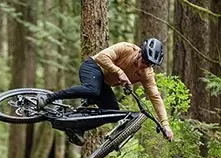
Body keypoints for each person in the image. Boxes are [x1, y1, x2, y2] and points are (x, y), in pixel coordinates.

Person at [37, 38, 174, 146]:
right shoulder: (126, 48)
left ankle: (78, 128)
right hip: (93, 67)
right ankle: (50, 97)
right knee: (93, 90)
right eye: (144, 60)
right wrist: (119, 72)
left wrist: (165, 124)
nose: (144, 65)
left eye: (149, 64)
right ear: (140, 53)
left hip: (104, 84)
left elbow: (155, 97)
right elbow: (101, 57)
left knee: (113, 113)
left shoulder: (147, 74)